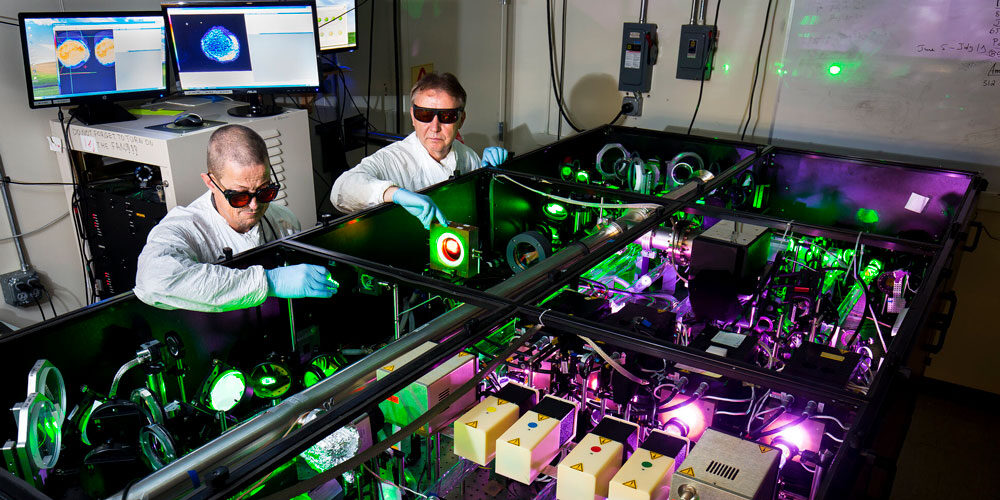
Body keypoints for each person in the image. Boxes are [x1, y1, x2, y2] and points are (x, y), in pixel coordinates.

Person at [135, 124, 337, 312]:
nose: (254, 205)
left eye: (264, 192)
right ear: (211, 183)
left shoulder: (283, 221)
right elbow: (154, 280)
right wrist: (270, 282)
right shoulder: (184, 228)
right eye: (240, 196)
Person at [329, 72, 509, 229]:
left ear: (461, 120)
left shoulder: (467, 155)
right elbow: (341, 190)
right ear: (413, 117)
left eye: (447, 116)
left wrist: (488, 172)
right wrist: (396, 194)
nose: (434, 127)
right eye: (424, 115)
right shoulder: (395, 159)